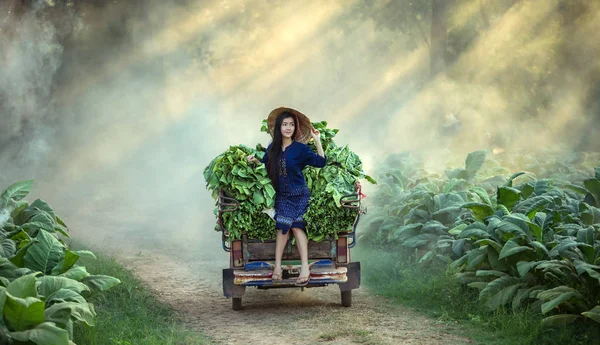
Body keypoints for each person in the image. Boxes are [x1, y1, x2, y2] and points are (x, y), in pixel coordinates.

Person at [246, 107, 326, 286]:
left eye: (291, 124)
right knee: (282, 227)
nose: (288, 128)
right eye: (284, 124)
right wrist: (255, 161)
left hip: (299, 195)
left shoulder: (300, 149)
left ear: (295, 128)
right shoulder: (272, 149)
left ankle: (305, 267)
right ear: (279, 127)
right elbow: (266, 165)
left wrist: (317, 140)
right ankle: (277, 267)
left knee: (297, 227)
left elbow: (321, 162)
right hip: (282, 196)